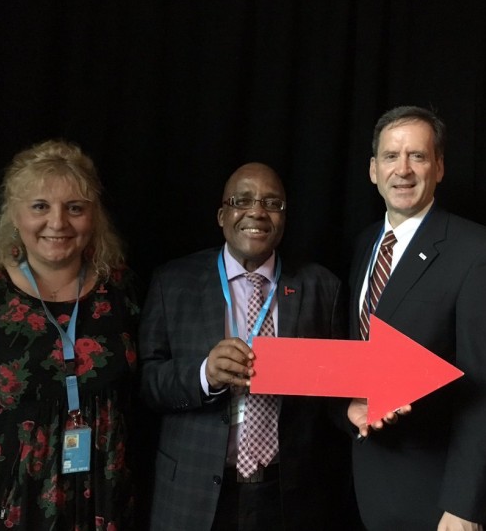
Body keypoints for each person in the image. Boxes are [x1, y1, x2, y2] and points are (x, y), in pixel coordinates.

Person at [0, 140, 140, 530]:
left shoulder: (121, 291)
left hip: (105, 511)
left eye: (74, 208)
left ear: (93, 217)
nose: (58, 223)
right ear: (14, 213)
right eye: (40, 206)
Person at [139, 162, 355, 531]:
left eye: (272, 203)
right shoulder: (172, 282)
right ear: (222, 214)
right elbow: (146, 383)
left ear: (284, 218)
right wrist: (204, 375)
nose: (257, 211)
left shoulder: (323, 288)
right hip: (192, 493)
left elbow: (334, 387)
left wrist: (356, 411)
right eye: (243, 200)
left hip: (289, 497)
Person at [346, 106, 486, 530]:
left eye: (417, 156)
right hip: (369, 485)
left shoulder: (477, 252)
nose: (403, 169)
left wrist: (465, 505)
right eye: (390, 156)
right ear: (372, 170)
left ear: (439, 167)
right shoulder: (363, 245)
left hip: (437, 498)